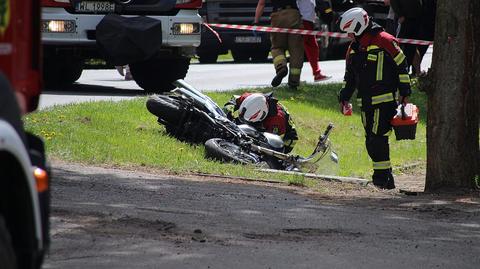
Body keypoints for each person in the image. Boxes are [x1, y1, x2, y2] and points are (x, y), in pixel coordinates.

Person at [337, 7, 412, 189]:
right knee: (370, 140)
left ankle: (381, 179)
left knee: (377, 139)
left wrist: (405, 92)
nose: (348, 36)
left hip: (384, 101)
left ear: (359, 26)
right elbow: (350, 77)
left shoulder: (384, 40)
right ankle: (385, 178)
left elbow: (402, 65)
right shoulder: (354, 48)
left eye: (350, 31)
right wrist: (344, 97)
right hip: (365, 102)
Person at [223, 92, 298, 153]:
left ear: (262, 116)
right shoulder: (251, 98)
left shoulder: (276, 120)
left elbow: (273, 142)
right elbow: (233, 100)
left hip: (285, 139)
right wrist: (228, 111)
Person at [254, 0, 304, 89]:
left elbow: (261, 3)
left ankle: (281, 67)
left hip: (278, 16)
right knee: (296, 51)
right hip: (294, 15)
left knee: (277, 47)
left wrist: (256, 22)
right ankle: (293, 82)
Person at [297, 0, 331, 82]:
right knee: (301, 48)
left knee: (312, 47)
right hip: (302, 20)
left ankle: (317, 74)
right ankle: (296, 77)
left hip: (308, 20)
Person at [389, 0, 423, 75]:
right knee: (398, 46)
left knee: (412, 47)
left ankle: (408, 71)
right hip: (404, 19)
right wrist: (400, 15)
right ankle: (395, 71)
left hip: (416, 18)